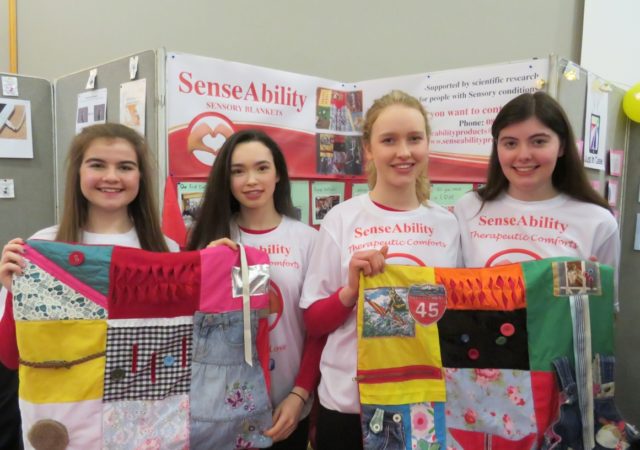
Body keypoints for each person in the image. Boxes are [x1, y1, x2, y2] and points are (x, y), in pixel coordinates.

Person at [0, 123, 179, 448]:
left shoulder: (167, 254)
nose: (112, 176)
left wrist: (226, 264)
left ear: (140, 177)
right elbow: (12, 358)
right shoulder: (43, 247)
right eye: (97, 164)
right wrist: (15, 295)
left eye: (125, 167)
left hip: (144, 430)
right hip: (68, 430)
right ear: (78, 173)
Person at [299, 90, 460, 450]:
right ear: (369, 150)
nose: (404, 152)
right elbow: (313, 321)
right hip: (348, 405)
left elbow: (459, 319)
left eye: (414, 139)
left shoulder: (447, 225)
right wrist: (350, 292)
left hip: (422, 400)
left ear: (427, 144)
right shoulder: (342, 219)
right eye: (389, 140)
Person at [187, 129, 321, 449]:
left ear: (278, 175)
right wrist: (211, 266)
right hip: (224, 405)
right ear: (227, 180)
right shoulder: (208, 239)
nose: (251, 180)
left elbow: (316, 329)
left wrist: (299, 394)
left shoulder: (307, 240)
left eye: (262, 168)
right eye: (238, 171)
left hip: (288, 408)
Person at [453, 92, 619, 305]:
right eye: (510, 143)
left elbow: (606, 316)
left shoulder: (598, 222)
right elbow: (454, 297)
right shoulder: (469, 208)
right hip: (480, 337)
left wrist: (586, 294)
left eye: (538, 142)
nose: (523, 155)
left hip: (556, 338)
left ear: (562, 147)